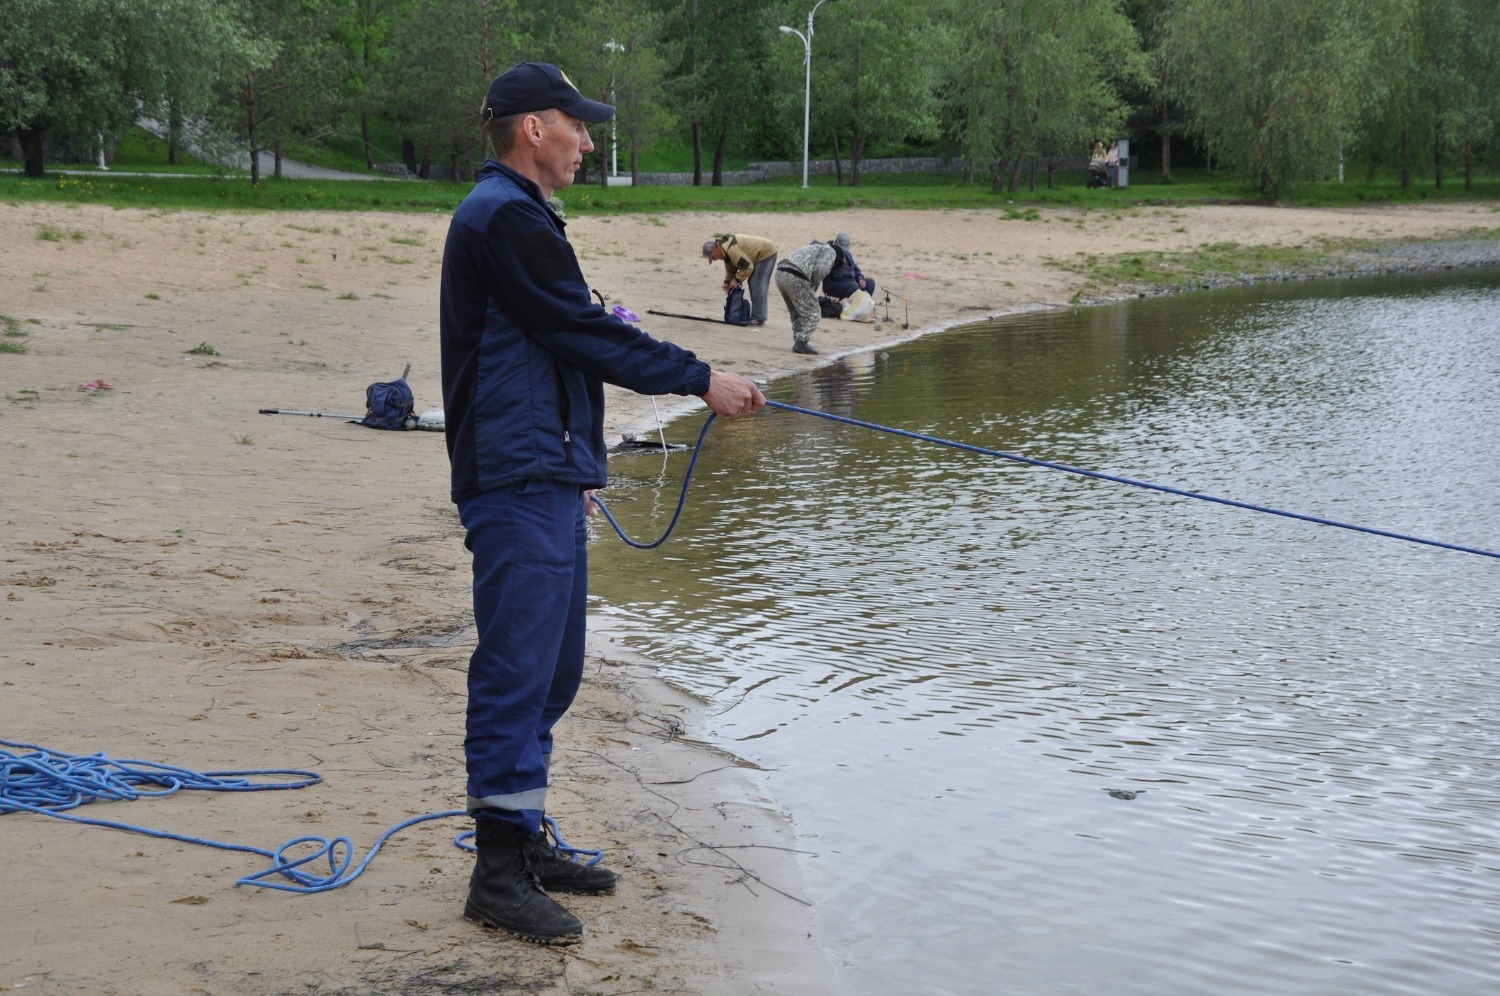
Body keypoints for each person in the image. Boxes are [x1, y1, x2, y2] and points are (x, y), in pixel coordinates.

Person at [439, 61, 765, 946]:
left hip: (544, 471)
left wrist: (579, 465)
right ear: (531, 129)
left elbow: (559, 341)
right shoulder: (504, 215)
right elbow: (582, 333)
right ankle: (497, 874)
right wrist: (701, 379)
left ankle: (525, 834)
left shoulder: (520, 215)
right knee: (518, 671)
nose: (589, 140)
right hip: (515, 476)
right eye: (577, 125)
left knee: (555, 670)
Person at [774, 239, 838, 354]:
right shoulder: (831, 252)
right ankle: (801, 342)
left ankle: (798, 340)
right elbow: (820, 270)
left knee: (796, 311)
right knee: (814, 311)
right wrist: (814, 284)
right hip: (796, 276)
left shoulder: (814, 248)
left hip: (780, 272)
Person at [702, 234, 778, 325]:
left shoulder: (731, 250)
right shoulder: (724, 249)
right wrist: (727, 283)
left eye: (712, 257)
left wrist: (736, 280)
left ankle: (758, 318)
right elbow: (731, 270)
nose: (714, 260)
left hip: (766, 252)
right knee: (754, 282)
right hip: (759, 253)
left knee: (756, 282)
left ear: (714, 250)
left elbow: (748, 268)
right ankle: (758, 316)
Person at [821, 231, 876, 301]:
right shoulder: (829, 254)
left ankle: (864, 306)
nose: (844, 251)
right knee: (853, 287)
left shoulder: (847, 254)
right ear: (836, 242)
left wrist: (860, 278)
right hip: (836, 285)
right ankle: (856, 307)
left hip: (851, 282)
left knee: (870, 283)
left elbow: (855, 268)